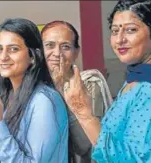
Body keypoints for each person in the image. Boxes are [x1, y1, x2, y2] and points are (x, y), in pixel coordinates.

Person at [64, 0, 151, 162]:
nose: (119, 39)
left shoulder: (147, 88)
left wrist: (84, 113)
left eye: (131, 30)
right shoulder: (134, 79)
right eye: (114, 31)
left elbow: (131, 159)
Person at [0, 18, 69, 163]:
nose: (3, 57)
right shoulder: (6, 96)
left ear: (33, 56)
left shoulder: (44, 101)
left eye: (13, 49)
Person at [41, 21, 112, 163]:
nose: (57, 53)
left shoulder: (89, 83)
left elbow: (84, 146)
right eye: (49, 45)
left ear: (76, 52)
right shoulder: (34, 87)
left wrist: (60, 90)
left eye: (65, 47)